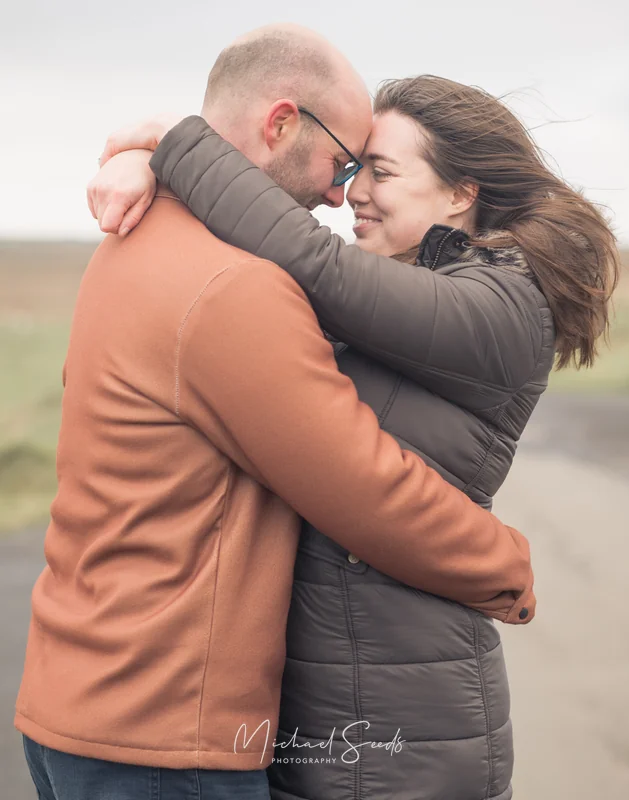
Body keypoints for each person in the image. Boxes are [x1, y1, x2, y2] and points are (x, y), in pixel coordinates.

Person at [15, 25, 537, 800]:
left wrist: (145, 150)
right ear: (281, 123)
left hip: (72, 701)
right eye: (344, 162)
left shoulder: (126, 241)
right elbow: (361, 486)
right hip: (165, 733)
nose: (340, 191)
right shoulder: (236, 287)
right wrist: (507, 567)